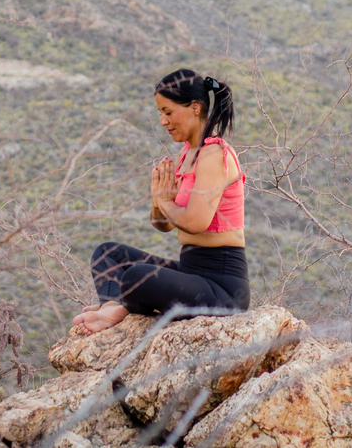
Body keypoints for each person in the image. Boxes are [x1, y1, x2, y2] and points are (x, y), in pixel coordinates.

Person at [72, 69, 250, 335]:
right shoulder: (185, 155)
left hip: (222, 288)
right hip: (192, 272)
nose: (163, 121)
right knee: (109, 254)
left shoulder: (215, 154)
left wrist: (166, 203)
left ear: (194, 108)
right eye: (160, 113)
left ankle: (122, 309)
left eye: (168, 112)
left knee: (135, 276)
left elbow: (195, 222)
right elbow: (164, 225)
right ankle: (111, 305)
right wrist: (159, 202)